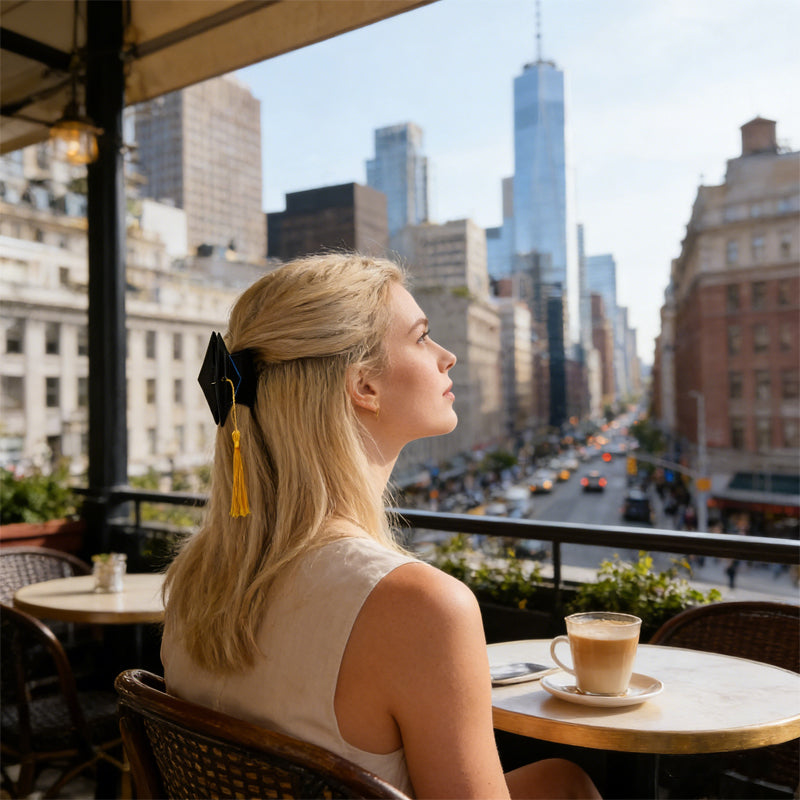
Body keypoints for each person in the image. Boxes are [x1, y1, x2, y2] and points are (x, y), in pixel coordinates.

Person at [161, 253, 600, 799]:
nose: (448, 356)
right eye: (422, 338)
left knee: (562, 780)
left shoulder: (194, 575)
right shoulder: (421, 605)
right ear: (363, 385)